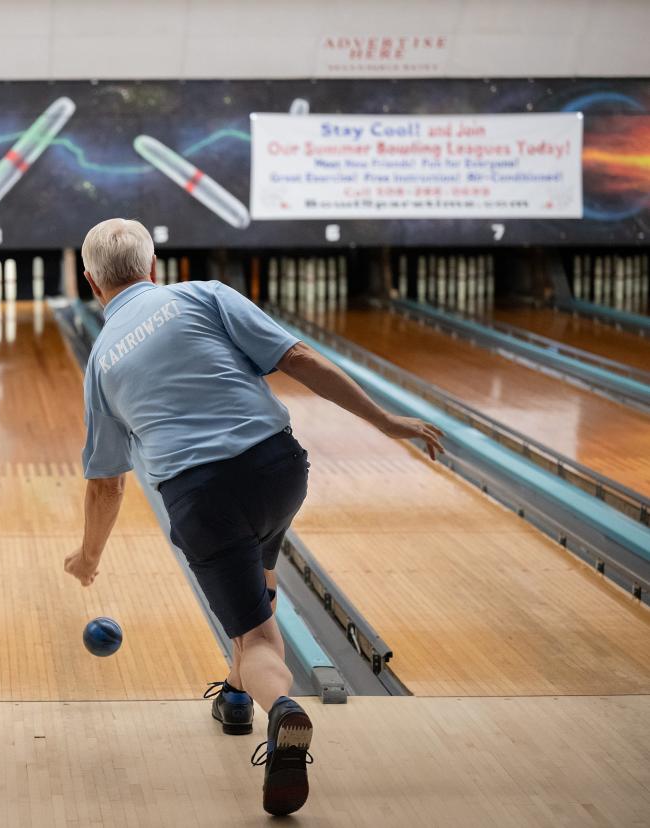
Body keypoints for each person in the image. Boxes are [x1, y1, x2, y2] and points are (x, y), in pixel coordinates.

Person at [63, 218, 444, 816]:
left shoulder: (101, 363)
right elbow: (298, 358)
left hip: (202, 497)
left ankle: (281, 710)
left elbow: (106, 485)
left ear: (90, 281)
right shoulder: (202, 294)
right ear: (154, 266)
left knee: (259, 640)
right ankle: (236, 697)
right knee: (257, 575)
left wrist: (88, 558)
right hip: (278, 470)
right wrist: (387, 422)